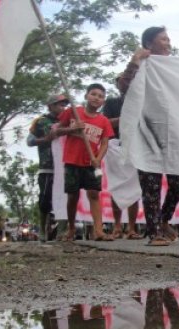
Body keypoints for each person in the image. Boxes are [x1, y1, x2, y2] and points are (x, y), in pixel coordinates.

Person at [118, 26, 179, 246]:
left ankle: (162, 220)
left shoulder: (175, 68)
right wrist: (135, 60)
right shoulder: (141, 64)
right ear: (149, 44)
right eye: (163, 39)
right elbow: (124, 87)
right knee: (150, 184)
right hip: (145, 133)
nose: (168, 42)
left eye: (169, 38)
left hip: (172, 135)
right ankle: (154, 234)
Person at [52, 83, 114, 241]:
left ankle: (99, 231)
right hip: (72, 162)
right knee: (72, 196)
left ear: (103, 101)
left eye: (100, 96)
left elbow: (105, 143)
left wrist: (98, 159)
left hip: (91, 163)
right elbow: (56, 131)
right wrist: (72, 130)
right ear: (86, 96)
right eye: (93, 94)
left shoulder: (103, 121)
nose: (96, 98)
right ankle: (71, 228)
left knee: (94, 194)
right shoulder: (74, 112)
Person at [102, 80, 142, 240]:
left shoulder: (141, 101)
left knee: (134, 188)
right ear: (118, 85)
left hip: (134, 146)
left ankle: (131, 228)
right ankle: (117, 226)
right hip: (114, 146)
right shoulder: (111, 103)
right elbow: (105, 124)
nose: (126, 84)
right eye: (122, 82)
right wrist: (124, 118)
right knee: (117, 186)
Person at [27, 94, 69, 242]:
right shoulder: (41, 122)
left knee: (66, 198)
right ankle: (43, 228)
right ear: (50, 106)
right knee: (45, 199)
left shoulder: (69, 121)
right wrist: (46, 139)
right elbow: (29, 141)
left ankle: (62, 231)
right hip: (47, 166)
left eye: (64, 105)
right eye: (59, 104)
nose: (62, 107)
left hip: (66, 167)